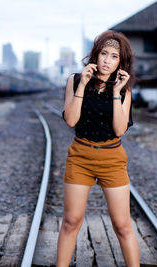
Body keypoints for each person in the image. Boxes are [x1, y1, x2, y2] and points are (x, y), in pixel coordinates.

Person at [57, 30, 140, 267]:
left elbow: (119, 129)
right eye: (104, 53)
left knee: (122, 225)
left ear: (120, 62)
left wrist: (116, 93)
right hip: (80, 157)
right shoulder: (74, 80)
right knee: (71, 221)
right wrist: (83, 84)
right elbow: (71, 120)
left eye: (114, 56)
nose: (107, 60)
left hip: (112, 159)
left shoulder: (124, 90)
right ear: (95, 55)